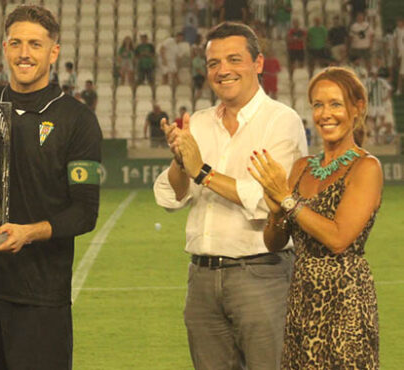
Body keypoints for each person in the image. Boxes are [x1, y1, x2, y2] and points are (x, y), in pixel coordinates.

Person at [0, 5, 101, 369]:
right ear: (4, 47)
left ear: (53, 52)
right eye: (16, 43)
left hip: (39, 296)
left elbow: (84, 213)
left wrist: (29, 232)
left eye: (35, 44)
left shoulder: (77, 120)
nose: (24, 53)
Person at [154, 22, 307, 370]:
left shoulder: (282, 121)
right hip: (202, 277)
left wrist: (202, 172)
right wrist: (180, 162)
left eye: (234, 59)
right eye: (213, 63)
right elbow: (170, 197)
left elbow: (270, 199)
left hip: (261, 274)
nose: (223, 70)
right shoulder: (201, 123)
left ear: (258, 63)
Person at [247, 66, 380, 368]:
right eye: (318, 105)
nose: (325, 114)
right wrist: (275, 212)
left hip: (346, 304)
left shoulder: (366, 168)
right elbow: (274, 242)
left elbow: (338, 239)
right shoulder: (302, 167)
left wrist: (288, 200)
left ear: (357, 108)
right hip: (301, 301)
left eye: (336, 104)